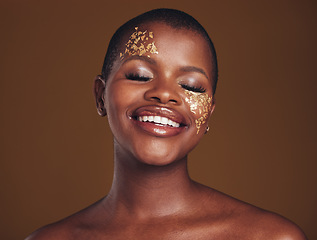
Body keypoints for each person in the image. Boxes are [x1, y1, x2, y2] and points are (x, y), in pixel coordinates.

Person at [26, 8, 307, 239]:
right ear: (100, 96)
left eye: (191, 85)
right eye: (138, 75)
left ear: (208, 114)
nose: (164, 93)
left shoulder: (268, 237)